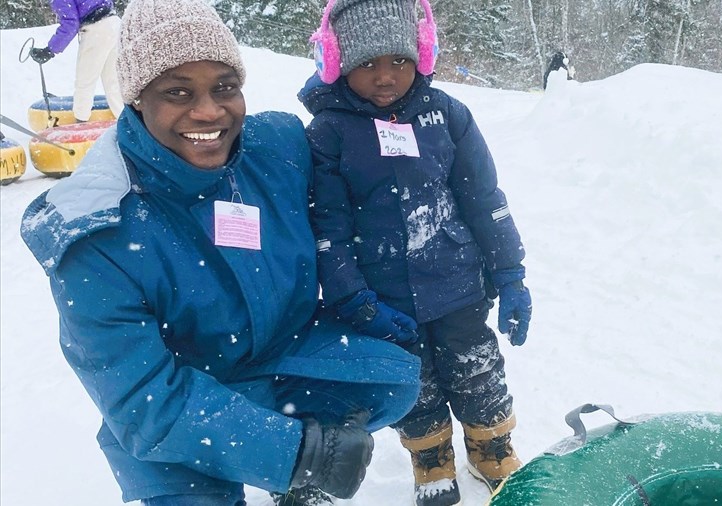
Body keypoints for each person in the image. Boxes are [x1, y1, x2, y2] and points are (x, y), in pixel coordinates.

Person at [20, 0, 421, 505]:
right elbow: (143, 399)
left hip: (279, 358)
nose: (209, 111)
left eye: (225, 87)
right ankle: (284, 461)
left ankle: (291, 479)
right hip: (179, 404)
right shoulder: (96, 234)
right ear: (137, 99)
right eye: (177, 92)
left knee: (393, 379)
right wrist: (302, 453)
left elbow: (359, 135)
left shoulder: (278, 146)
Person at [299, 0, 533, 504]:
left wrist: (510, 274)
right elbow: (328, 231)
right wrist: (354, 300)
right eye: (368, 63)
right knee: (414, 382)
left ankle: (492, 447)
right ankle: (430, 458)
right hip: (385, 299)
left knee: (476, 368)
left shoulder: (446, 115)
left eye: (399, 60)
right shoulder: (328, 134)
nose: (386, 77)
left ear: (420, 55)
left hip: (459, 283)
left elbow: (483, 199)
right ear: (338, 63)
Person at [29, 0, 125, 122]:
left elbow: (70, 23)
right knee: (113, 83)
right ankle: (127, 124)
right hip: (114, 23)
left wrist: (49, 50)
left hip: (96, 29)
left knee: (85, 82)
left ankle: (81, 123)